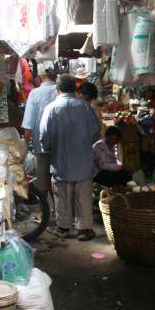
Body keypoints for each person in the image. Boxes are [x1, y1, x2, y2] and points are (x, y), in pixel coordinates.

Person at [39, 74, 101, 241]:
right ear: (75, 89)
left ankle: (63, 227)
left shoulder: (51, 108)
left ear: (57, 89)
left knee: (62, 195)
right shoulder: (85, 107)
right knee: (83, 196)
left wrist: (48, 148)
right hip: (83, 162)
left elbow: (44, 135)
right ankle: (84, 229)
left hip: (61, 161)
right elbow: (96, 131)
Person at [20, 61, 57, 193]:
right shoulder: (60, 91)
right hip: (60, 147)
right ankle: (58, 209)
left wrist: (25, 145)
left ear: (39, 77)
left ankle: (48, 210)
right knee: (59, 181)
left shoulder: (35, 93)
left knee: (43, 183)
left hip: (41, 147)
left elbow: (28, 124)